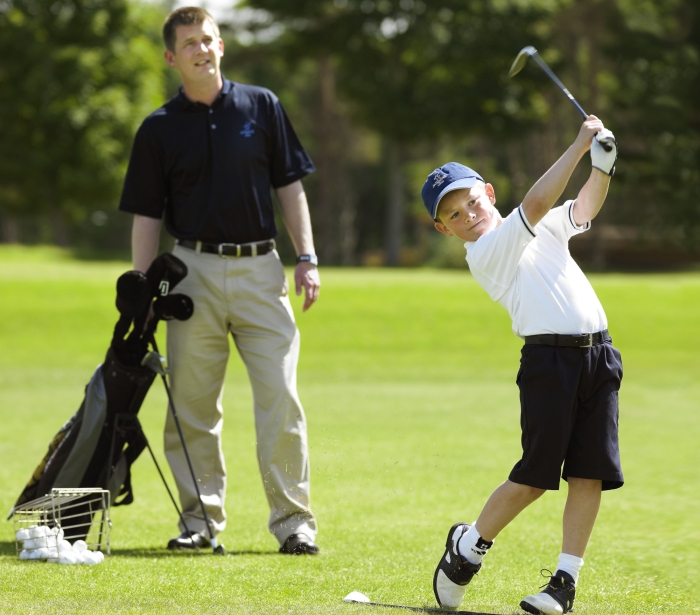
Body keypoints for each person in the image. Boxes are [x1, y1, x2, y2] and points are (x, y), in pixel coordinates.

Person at [119, 6, 321, 555]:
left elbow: (290, 187)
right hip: (191, 274)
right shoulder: (158, 128)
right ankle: (200, 522)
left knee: (281, 396)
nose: (201, 50)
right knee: (191, 406)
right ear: (171, 57)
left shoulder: (262, 106)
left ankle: (294, 522)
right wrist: (140, 283)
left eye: (208, 39)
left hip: (261, 269)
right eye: (189, 44)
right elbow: (146, 213)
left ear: (221, 45)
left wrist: (306, 256)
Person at [421, 116, 622, 614]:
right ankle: (469, 547)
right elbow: (534, 206)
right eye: (454, 214)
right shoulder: (486, 250)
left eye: (471, 200)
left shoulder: (540, 226)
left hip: (599, 356)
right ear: (444, 229)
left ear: (487, 192)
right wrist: (577, 145)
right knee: (534, 477)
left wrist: (602, 167)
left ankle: (563, 583)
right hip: (548, 362)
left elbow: (581, 209)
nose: (468, 214)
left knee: (588, 474)